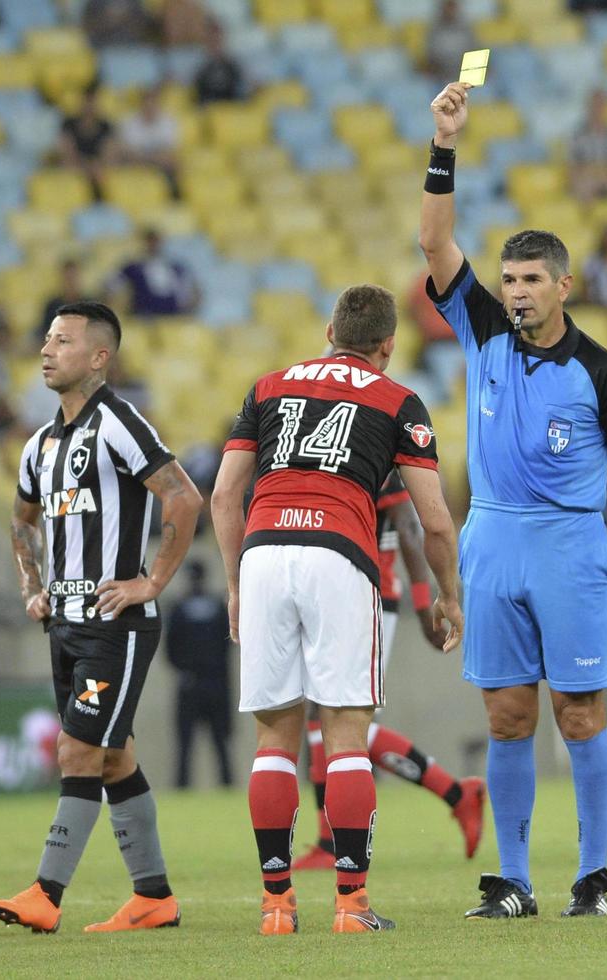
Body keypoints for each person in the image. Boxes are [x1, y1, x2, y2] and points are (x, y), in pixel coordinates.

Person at [419, 81, 607, 919]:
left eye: (532, 278)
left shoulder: (602, 372)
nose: (518, 290)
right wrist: (445, 143)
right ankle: (513, 880)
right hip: (492, 538)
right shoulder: (483, 329)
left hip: (570, 546)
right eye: (508, 278)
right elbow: (433, 241)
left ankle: (592, 876)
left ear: (565, 285)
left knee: (577, 712)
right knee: (505, 715)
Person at [210, 284, 463, 936]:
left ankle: (276, 906)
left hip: (264, 551)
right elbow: (433, 523)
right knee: (346, 732)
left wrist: (237, 584)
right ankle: (350, 906)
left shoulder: (268, 387)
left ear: (328, 330)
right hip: (340, 556)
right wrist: (447, 595)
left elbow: (224, 497)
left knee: (274, 739)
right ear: (388, 344)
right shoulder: (397, 399)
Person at [0, 301, 203, 934]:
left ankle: (46, 894)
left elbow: (183, 498)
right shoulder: (40, 444)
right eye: (47, 338)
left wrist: (151, 581)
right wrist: (34, 586)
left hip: (117, 623)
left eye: (63, 340)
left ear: (99, 357)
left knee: (78, 751)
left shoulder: (118, 423)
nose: (47, 349)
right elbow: (21, 522)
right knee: (113, 759)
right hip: (66, 624)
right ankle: (153, 897)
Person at [291, 467, 486, 870]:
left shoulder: (378, 462)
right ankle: (330, 841)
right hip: (331, 597)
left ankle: (453, 794)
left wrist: (421, 603)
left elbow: (411, 530)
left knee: (343, 718)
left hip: (371, 597)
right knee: (321, 715)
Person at [165, 559, 233, 789]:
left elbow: (170, 648)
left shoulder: (179, 608)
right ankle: (225, 786)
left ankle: (185, 787)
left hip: (192, 684)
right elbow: (228, 645)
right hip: (214, 683)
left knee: (195, 743)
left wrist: (185, 669)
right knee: (215, 742)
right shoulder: (216, 607)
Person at [108, 229, 199, 317]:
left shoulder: (176, 267)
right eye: (150, 241)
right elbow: (113, 287)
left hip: (173, 315)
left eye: (156, 241)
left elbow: (191, 293)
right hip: (144, 315)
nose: (153, 245)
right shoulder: (132, 267)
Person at [57, 87, 120, 199]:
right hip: (76, 166)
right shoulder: (68, 124)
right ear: (81, 103)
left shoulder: (106, 126)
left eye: (92, 102)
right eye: (87, 102)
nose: (89, 107)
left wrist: (96, 167)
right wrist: (86, 166)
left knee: (106, 172)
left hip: (98, 169)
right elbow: (67, 153)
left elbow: (109, 156)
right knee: (67, 167)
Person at [118, 85, 181, 194]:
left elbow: (168, 153)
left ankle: (172, 195)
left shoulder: (168, 121)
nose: (149, 106)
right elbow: (127, 152)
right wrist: (150, 158)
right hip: (135, 164)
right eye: (147, 102)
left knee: (174, 162)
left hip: (158, 165)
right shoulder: (129, 122)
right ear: (141, 104)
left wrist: (145, 157)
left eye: (153, 102)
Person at [194, 23, 246, 105]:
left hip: (228, 110)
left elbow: (240, 92)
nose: (215, 43)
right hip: (207, 109)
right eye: (211, 40)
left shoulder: (233, 65)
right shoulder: (198, 65)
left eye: (217, 40)